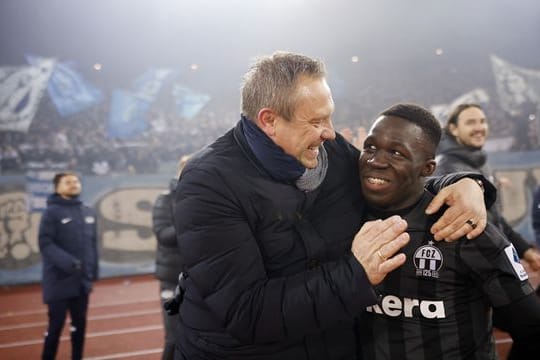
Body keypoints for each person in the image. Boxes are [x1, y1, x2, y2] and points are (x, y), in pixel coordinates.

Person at [173, 52, 493, 360]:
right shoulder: (208, 184)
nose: (329, 132)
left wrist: (463, 183)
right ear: (269, 120)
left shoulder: (332, 152)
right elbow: (247, 313)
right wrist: (356, 273)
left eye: (330, 116)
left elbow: (390, 183)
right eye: (315, 121)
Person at [357, 103, 540, 359]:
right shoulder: (346, 215)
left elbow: (531, 326)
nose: (376, 161)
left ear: (428, 168)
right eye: (370, 147)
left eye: (397, 153)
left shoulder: (463, 229)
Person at [434, 103, 540, 270]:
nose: (479, 127)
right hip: (474, 273)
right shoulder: (447, 169)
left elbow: (493, 217)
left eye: (482, 121)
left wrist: (525, 250)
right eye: (470, 122)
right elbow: (473, 228)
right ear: (454, 129)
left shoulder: (479, 162)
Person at [38, 172, 99, 360]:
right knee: (55, 327)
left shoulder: (88, 210)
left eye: (76, 181)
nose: (73, 185)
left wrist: (92, 272)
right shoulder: (51, 213)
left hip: (82, 282)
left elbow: (92, 244)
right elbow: (45, 243)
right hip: (58, 282)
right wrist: (69, 263)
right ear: (57, 187)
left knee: (79, 328)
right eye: (68, 182)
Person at [152, 155, 190, 360]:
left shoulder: (204, 197)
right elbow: (163, 234)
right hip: (172, 277)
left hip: (198, 277)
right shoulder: (164, 199)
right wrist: (191, 222)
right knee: (174, 339)